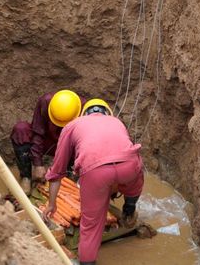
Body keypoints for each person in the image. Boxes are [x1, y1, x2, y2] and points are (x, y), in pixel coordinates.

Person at [42, 99, 144, 265]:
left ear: (83, 113)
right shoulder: (116, 121)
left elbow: (56, 172)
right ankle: (129, 208)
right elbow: (122, 151)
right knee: (136, 174)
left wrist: (52, 204)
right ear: (107, 112)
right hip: (129, 166)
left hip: (96, 172)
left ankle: (87, 262)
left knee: (90, 226)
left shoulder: (73, 125)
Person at [11, 90, 84, 195]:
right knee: (21, 129)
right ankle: (26, 176)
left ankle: (68, 175)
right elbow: (38, 133)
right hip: (50, 141)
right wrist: (37, 164)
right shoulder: (46, 102)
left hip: (71, 146)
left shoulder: (85, 109)